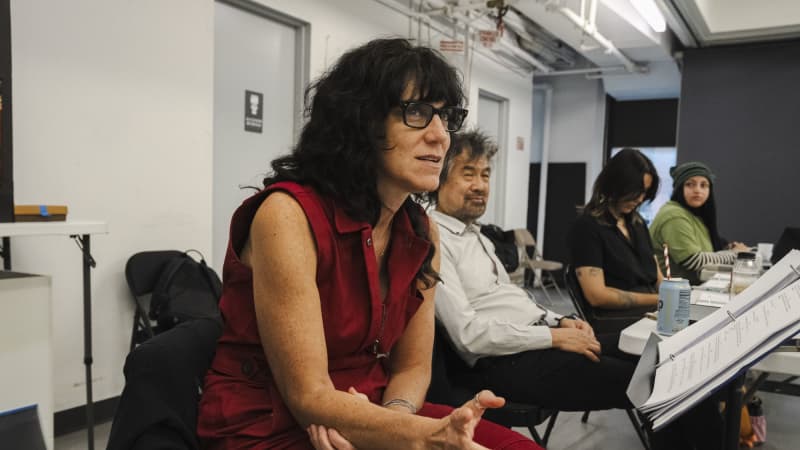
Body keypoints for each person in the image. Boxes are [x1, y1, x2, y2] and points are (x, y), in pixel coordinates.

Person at [196, 38, 539, 450]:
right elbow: (309, 398)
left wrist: (393, 422)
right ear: (361, 122)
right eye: (417, 113)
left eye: (446, 117)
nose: (441, 136)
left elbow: (413, 366)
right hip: (270, 426)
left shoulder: (421, 231)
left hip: (373, 411)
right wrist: (418, 437)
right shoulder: (287, 216)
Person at [431, 132, 723, 450]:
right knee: (667, 381)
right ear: (437, 179)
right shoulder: (435, 239)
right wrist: (553, 337)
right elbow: (469, 336)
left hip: (536, 341)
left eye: (485, 174)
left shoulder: (478, 236)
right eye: (468, 173)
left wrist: (560, 321)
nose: (480, 185)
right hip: (508, 360)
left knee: (678, 365)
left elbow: (514, 302)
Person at [566, 148, 663, 333]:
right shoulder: (587, 227)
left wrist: (673, 295)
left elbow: (656, 273)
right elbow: (597, 295)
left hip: (648, 313)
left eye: (645, 193)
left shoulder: (637, 223)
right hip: (615, 322)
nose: (641, 199)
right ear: (616, 184)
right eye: (636, 192)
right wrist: (660, 301)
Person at [649, 161, 749, 285]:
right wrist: (735, 255)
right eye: (690, 184)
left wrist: (728, 248)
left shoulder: (693, 215)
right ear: (679, 188)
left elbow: (705, 252)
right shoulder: (674, 215)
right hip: (672, 293)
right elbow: (693, 260)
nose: (697, 190)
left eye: (704, 185)